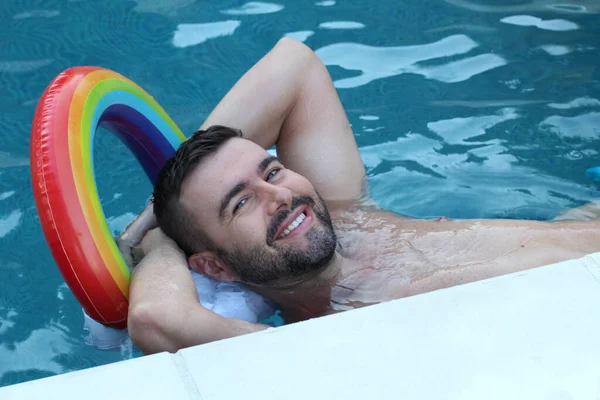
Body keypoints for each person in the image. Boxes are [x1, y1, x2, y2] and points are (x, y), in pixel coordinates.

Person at [118, 38, 600, 354]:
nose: (279, 196)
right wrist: (159, 239)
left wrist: (153, 211)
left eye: (273, 170)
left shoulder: (343, 212)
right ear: (214, 267)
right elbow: (155, 316)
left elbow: (295, 64)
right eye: (240, 202)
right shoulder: (336, 335)